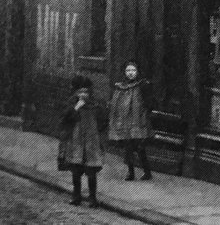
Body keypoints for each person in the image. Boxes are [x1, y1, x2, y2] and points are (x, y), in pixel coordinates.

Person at [58, 74, 105, 207]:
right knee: (76, 171)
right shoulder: (71, 105)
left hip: (91, 143)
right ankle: (76, 195)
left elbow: (103, 120)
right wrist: (76, 107)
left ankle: (92, 198)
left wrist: (96, 133)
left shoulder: (95, 105)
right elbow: (63, 120)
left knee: (91, 172)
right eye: (80, 91)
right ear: (75, 92)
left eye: (86, 91)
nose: (83, 94)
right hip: (76, 142)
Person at [108, 60, 153, 181]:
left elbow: (149, 103)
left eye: (133, 70)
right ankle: (130, 172)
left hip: (139, 120)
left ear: (137, 72)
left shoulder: (143, 85)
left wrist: (145, 115)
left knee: (140, 147)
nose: (130, 73)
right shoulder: (121, 86)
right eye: (128, 70)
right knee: (128, 147)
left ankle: (147, 171)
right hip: (126, 121)